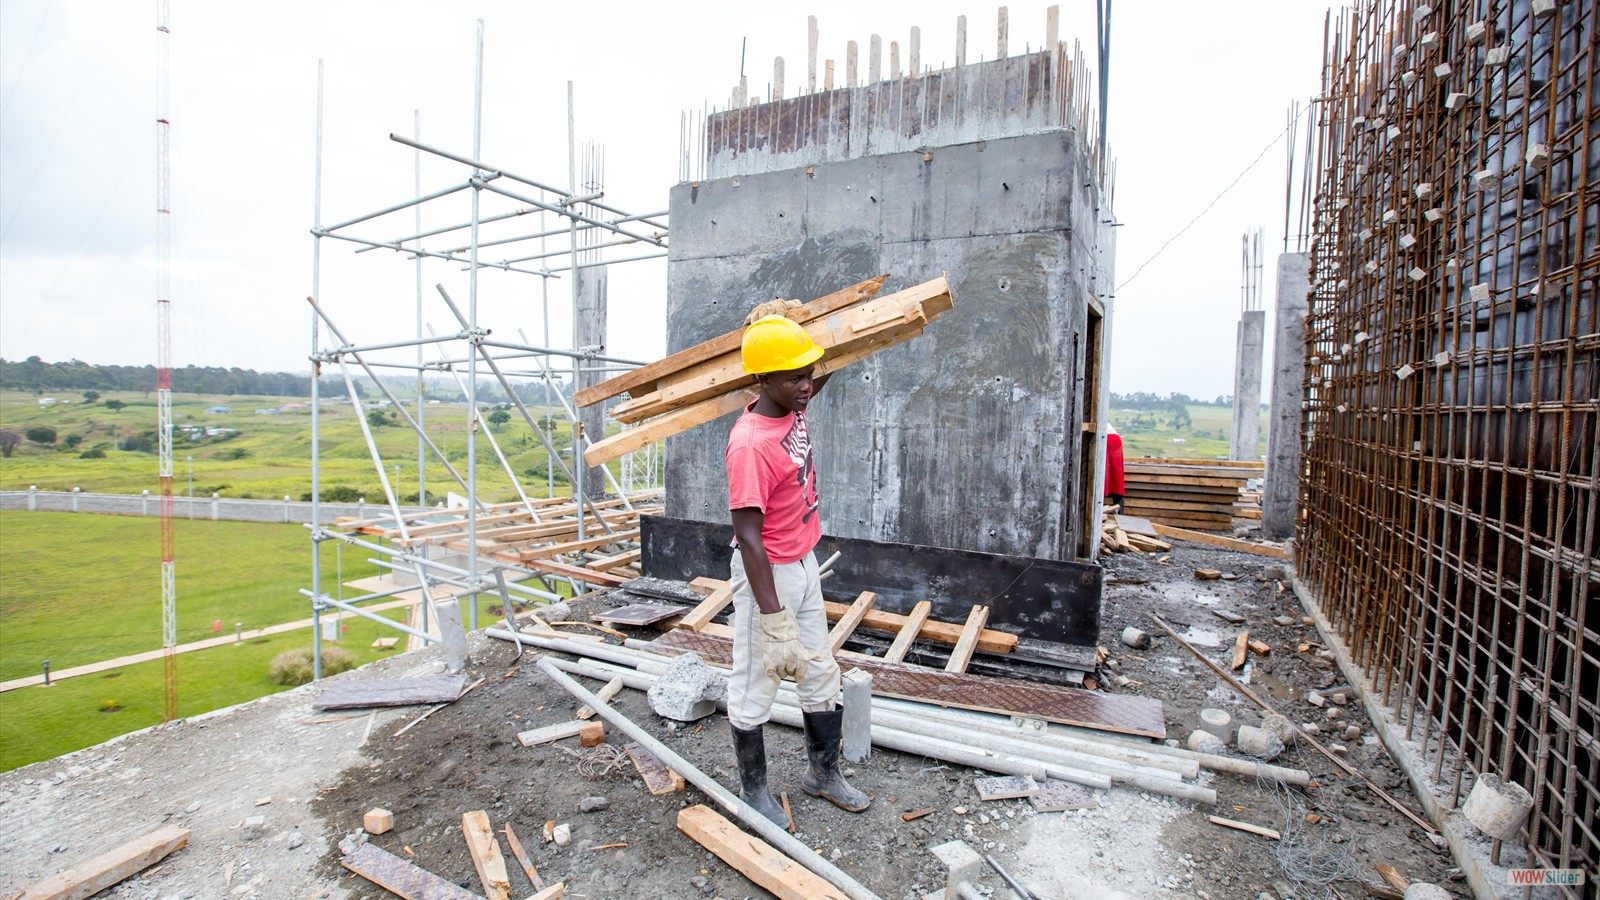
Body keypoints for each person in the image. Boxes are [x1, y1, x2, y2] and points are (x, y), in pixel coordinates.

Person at [724, 305, 870, 829]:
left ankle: (822, 774)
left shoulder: (792, 404)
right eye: (794, 378)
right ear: (763, 380)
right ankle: (754, 792)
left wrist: (805, 325)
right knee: (755, 684)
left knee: (820, 673)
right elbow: (747, 537)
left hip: (804, 563)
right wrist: (773, 620)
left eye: (808, 375)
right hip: (769, 576)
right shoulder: (750, 446)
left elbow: (811, 370)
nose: (807, 385)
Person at [1105, 423, 1125, 510]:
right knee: (1116, 477)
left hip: (1107, 439)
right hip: (1115, 439)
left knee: (1103, 476)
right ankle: (1119, 511)